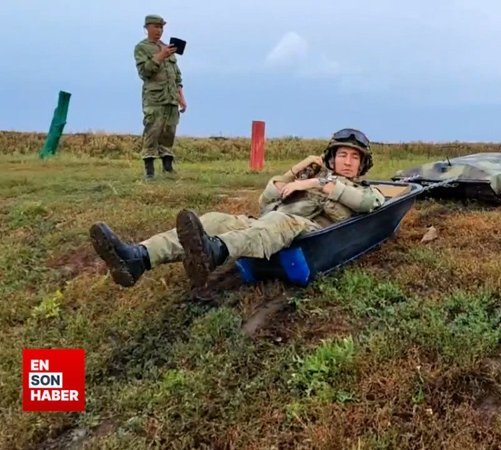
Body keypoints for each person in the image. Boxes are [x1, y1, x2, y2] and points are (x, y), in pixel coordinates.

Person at [89, 128, 386, 290]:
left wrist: (312, 186)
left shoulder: (361, 190)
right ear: (331, 159)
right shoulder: (309, 178)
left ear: (362, 165)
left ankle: (214, 252)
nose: (347, 161)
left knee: (279, 222)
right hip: (268, 224)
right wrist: (296, 172)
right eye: (342, 155)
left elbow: (369, 204)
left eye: (354, 157)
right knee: (215, 220)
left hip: (305, 232)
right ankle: (139, 257)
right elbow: (267, 200)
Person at [134, 14, 187, 179]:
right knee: (152, 131)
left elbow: (176, 76)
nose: (159, 30)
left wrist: (181, 98)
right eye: (155, 27)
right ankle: (149, 171)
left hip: (171, 98)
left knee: (168, 133)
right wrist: (160, 56)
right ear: (147, 28)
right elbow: (144, 72)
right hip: (155, 99)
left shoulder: (168, 48)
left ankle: (168, 169)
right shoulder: (142, 48)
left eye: (161, 27)